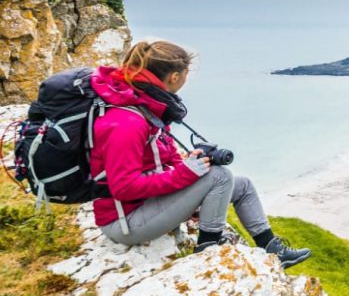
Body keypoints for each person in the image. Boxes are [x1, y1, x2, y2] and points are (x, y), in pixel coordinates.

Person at [88, 40, 312, 268]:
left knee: (242, 185)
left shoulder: (145, 106)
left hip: (148, 205)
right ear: (175, 77)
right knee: (220, 176)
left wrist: (188, 167)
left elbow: (161, 156)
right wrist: (184, 176)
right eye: (186, 74)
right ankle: (208, 251)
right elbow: (123, 187)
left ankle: (273, 249)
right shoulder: (127, 121)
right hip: (126, 222)